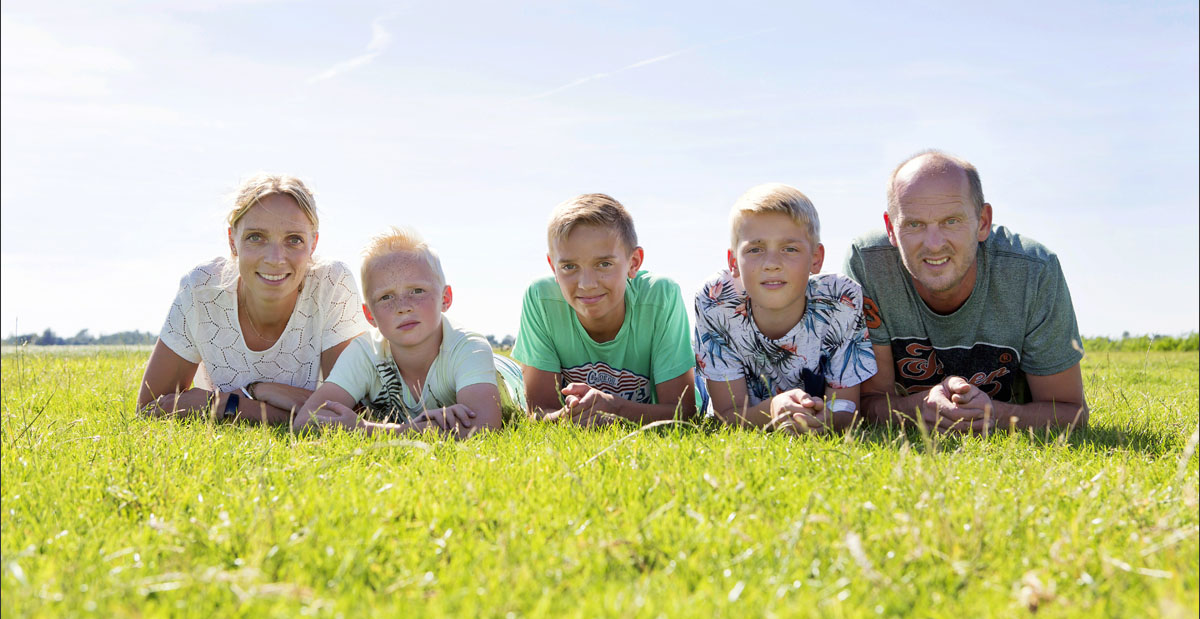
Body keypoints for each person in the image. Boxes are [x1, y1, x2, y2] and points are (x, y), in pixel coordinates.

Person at [844, 150, 1089, 433]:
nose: (934, 244)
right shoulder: (869, 263)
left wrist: (993, 414)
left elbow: (1072, 412)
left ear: (982, 222)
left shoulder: (1032, 270)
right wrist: (920, 407)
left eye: (952, 221)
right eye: (914, 224)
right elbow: (866, 403)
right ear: (891, 229)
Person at [137, 174, 369, 423]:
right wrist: (259, 401)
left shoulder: (331, 284)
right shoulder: (201, 289)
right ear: (232, 242)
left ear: (313, 245)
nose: (275, 258)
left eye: (294, 239)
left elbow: (350, 413)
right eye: (256, 237)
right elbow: (151, 408)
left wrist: (226, 403)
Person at [294, 227, 525, 438]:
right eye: (386, 297)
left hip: (506, 375)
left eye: (417, 291)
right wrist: (411, 430)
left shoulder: (469, 346)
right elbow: (305, 421)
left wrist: (370, 430)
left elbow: (484, 427)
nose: (403, 306)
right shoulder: (364, 352)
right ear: (369, 315)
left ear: (445, 299)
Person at [694, 184, 877, 433]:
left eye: (789, 249)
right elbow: (726, 416)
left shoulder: (840, 300)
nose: (771, 264)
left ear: (816, 258)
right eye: (755, 249)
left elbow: (847, 407)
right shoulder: (717, 300)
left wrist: (827, 418)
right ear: (733, 262)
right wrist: (773, 410)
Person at [512, 193, 696, 426]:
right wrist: (573, 414)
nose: (587, 284)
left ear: (634, 263)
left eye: (604, 264)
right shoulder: (542, 298)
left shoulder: (660, 296)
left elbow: (684, 413)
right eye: (569, 266)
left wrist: (614, 408)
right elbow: (539, 412)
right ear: (553, 267)